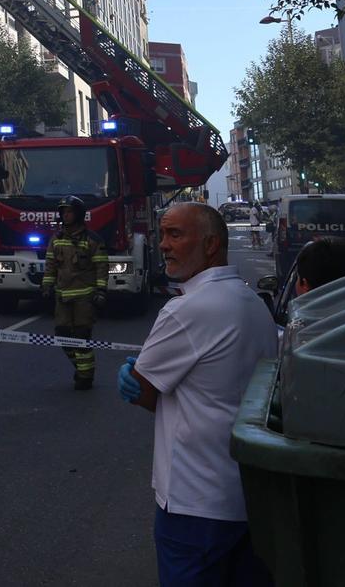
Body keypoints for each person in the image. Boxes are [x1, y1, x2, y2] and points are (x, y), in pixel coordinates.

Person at [116, 202, 278, 586]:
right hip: (249, 499)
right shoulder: (254, 305)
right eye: (162, 235)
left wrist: (133, 382)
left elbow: (144, 390)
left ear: (211, 244)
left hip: (193, 505)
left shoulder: (185, 310)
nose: (164, 245)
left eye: (176, 234)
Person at [41, 195, 105, 390]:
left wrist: (101, 291)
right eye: (63, 212)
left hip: (84, 298)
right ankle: (81, 367)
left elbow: (101, 267)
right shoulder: (57, 240)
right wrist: (46, 286)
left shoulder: (92, 240)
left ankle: (86, 376)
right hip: (63, 296)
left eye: (69, 212)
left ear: (78, 215)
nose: (65, 215)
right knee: (62, 334)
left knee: (81, 336)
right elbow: (51, 265)